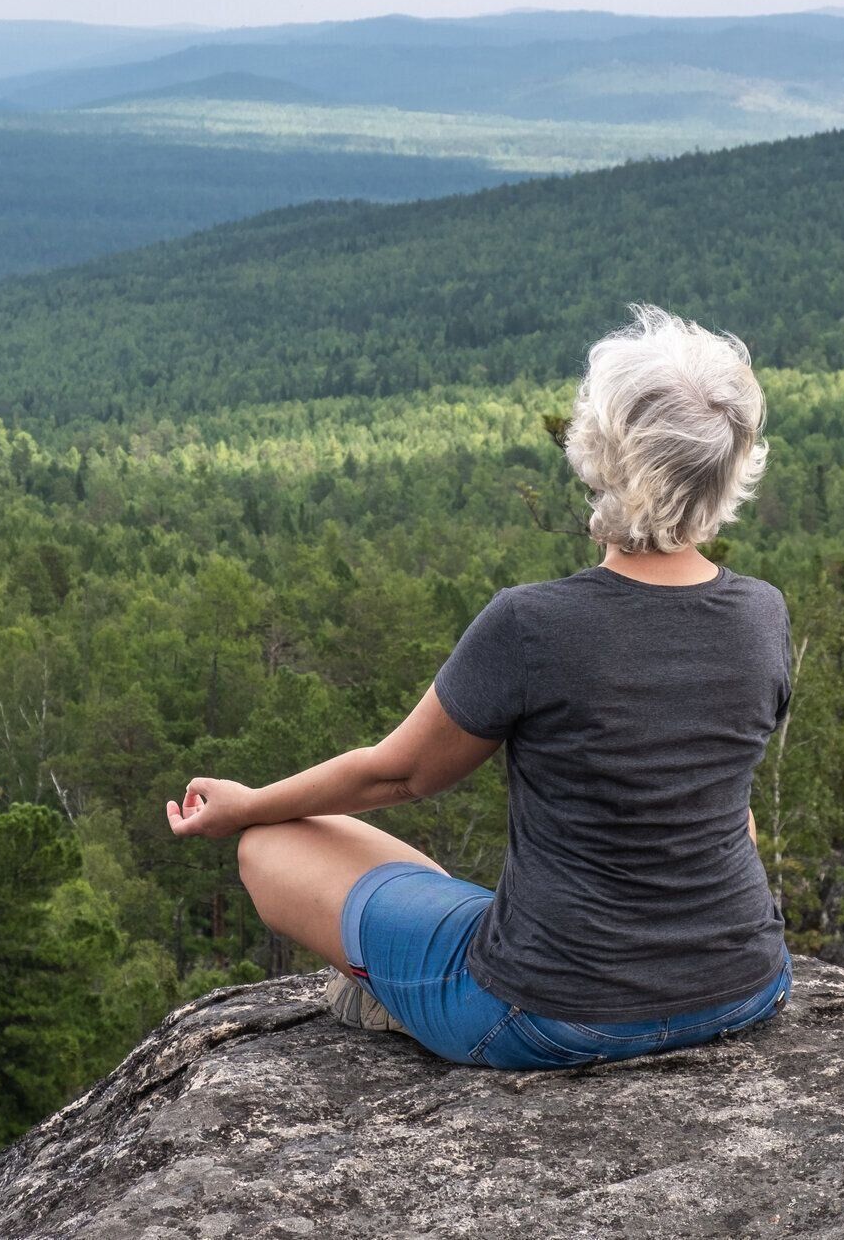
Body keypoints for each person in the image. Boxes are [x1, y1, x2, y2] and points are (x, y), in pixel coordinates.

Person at [165, 304, 793, 1069]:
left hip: (549, 1014)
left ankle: (402, 994)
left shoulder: (533, 623)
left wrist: (245, 806)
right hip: (743, 989)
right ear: (730, 466)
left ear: (598, 451)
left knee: (271, 847)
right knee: (429, 888)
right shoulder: (761, 614)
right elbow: (732, 809)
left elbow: (398, 774)